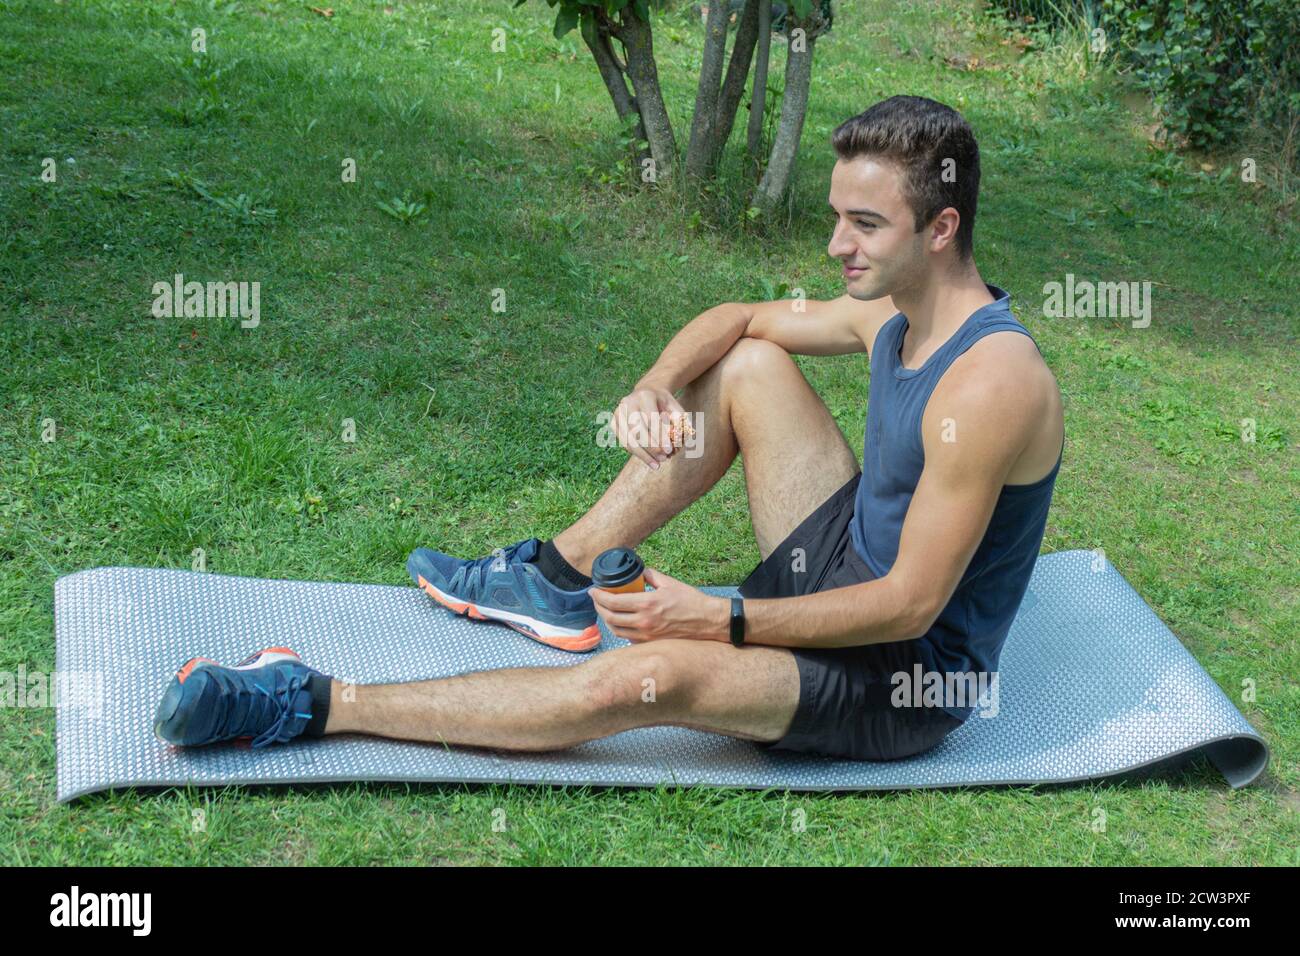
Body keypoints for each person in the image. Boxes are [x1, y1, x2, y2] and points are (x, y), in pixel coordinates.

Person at [154, 95, 1065, 762]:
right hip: (842, 557)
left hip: (902, 672)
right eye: (836, 217)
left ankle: (310, 700)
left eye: (865, 224)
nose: (837, 245)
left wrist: (724, 618)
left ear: (942, 227)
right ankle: (558, 578)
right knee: (750, 362)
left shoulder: (991, 384)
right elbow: (741, 316)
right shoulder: (892, 312)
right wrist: (656, 385)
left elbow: (911, 605)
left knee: (652, 678)